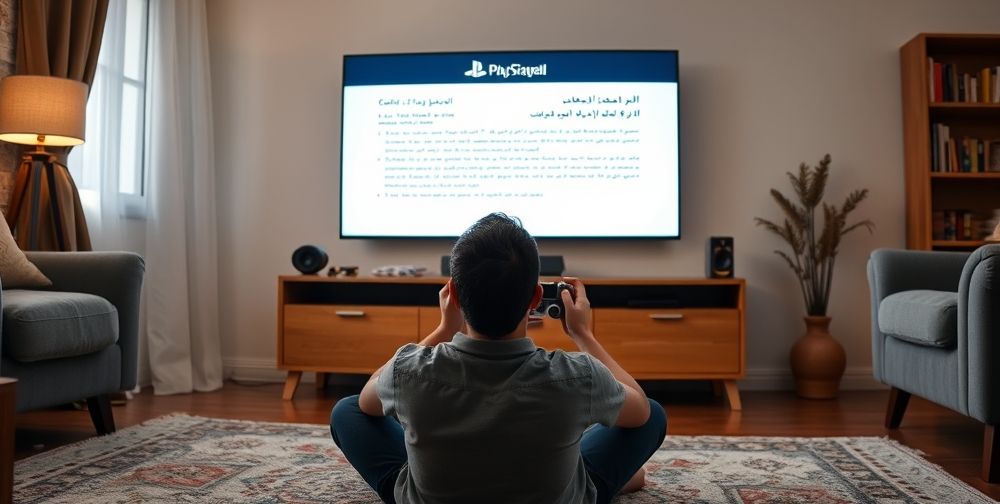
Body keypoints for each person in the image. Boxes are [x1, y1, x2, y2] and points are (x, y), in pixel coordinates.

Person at [330, 212, 666, 504]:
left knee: (347, 410)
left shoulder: (410, 368)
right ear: (535, 297)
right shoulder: (578, 375)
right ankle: (599, 475)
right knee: (653, 415)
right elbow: (641, 414)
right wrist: (583, 335)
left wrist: (444, 328)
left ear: (455, 295)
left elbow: (367, 401)